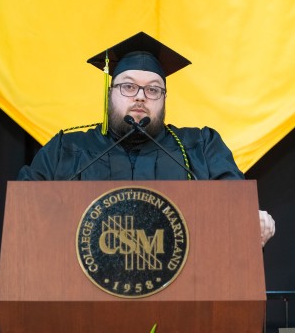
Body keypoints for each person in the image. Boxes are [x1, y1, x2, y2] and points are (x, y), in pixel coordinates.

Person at [18, 32, 275, 246]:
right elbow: (24, 212)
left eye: (153, 89)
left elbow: (236, 210)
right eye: (128, 86)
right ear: (110, 94)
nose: (140, 97)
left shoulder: (200, 148)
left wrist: (251, 221)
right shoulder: (67, 149)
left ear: (164, 98)